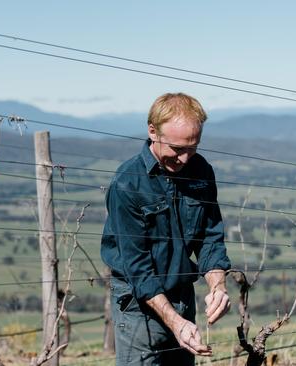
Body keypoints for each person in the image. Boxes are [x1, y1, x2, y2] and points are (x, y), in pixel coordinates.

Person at [101, 92, 231, 365]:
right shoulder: (128, 183)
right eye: (176, 148)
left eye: (192, 147)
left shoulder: (201, 170)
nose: (185, 158)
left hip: (182, 294)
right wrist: (174, 322)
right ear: (152, 131)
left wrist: (218, 287)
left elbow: (210, 237)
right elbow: (137, 268)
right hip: (137, 304)